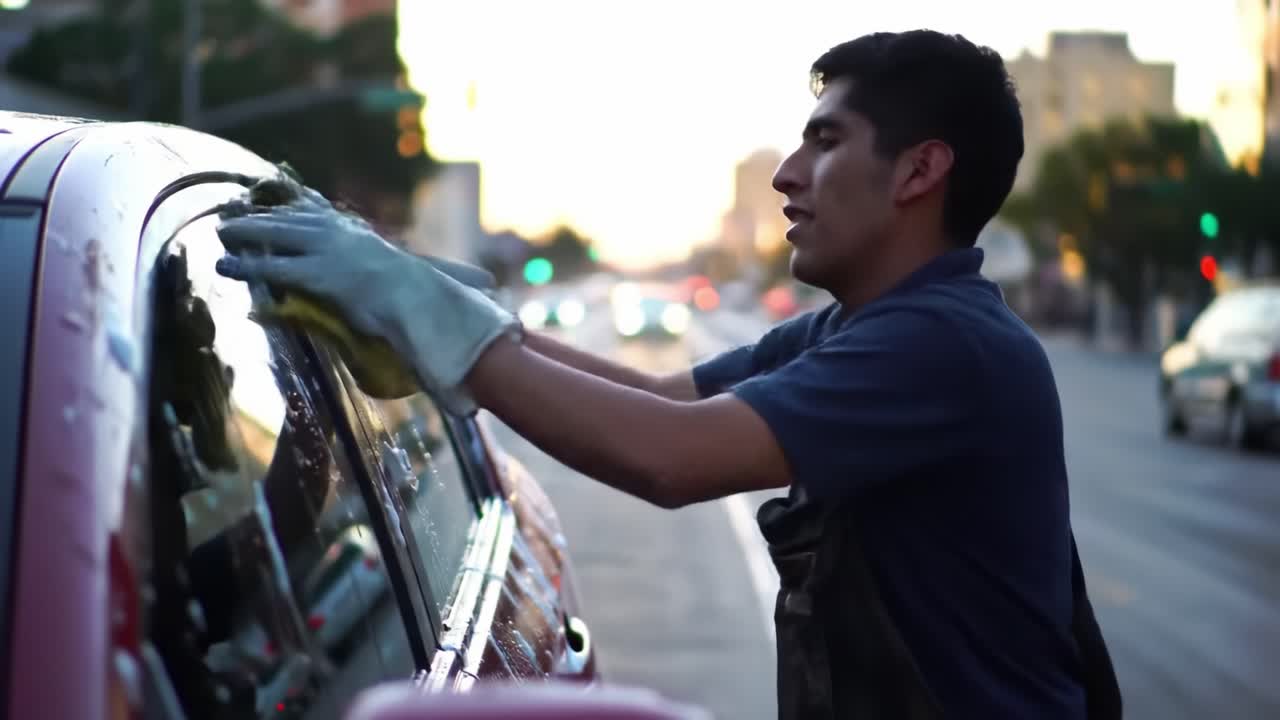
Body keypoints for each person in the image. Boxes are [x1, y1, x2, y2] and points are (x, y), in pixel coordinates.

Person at [214, 29, 1121, 720]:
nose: (789, 176)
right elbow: (653, 399)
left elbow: (672, 457)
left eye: (826, 142)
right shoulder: (859, 329)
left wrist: (425, 314)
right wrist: (440, 304)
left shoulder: (945, 347)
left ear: (920, 170)